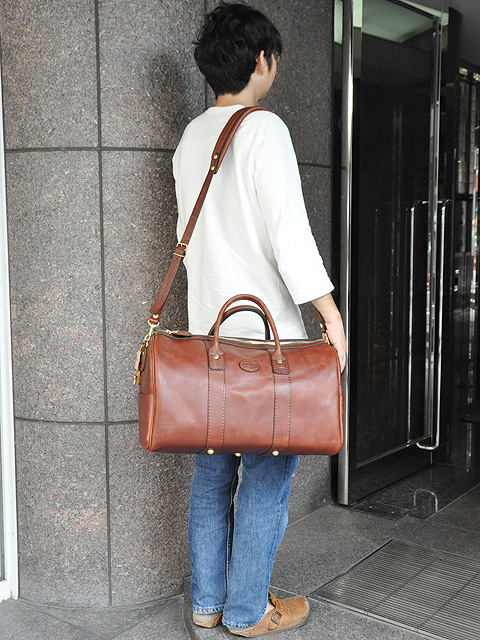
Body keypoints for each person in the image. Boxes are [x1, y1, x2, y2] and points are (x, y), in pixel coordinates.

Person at [172, 3, 347, 636]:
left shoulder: (192, 138)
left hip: (208, 343)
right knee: (267, 478)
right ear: (261, 60)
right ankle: (247, 612)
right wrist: (330, 315)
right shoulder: (264, 129)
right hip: (267, 347)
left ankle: (207, 604)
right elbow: (289, 238)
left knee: (211, 475)